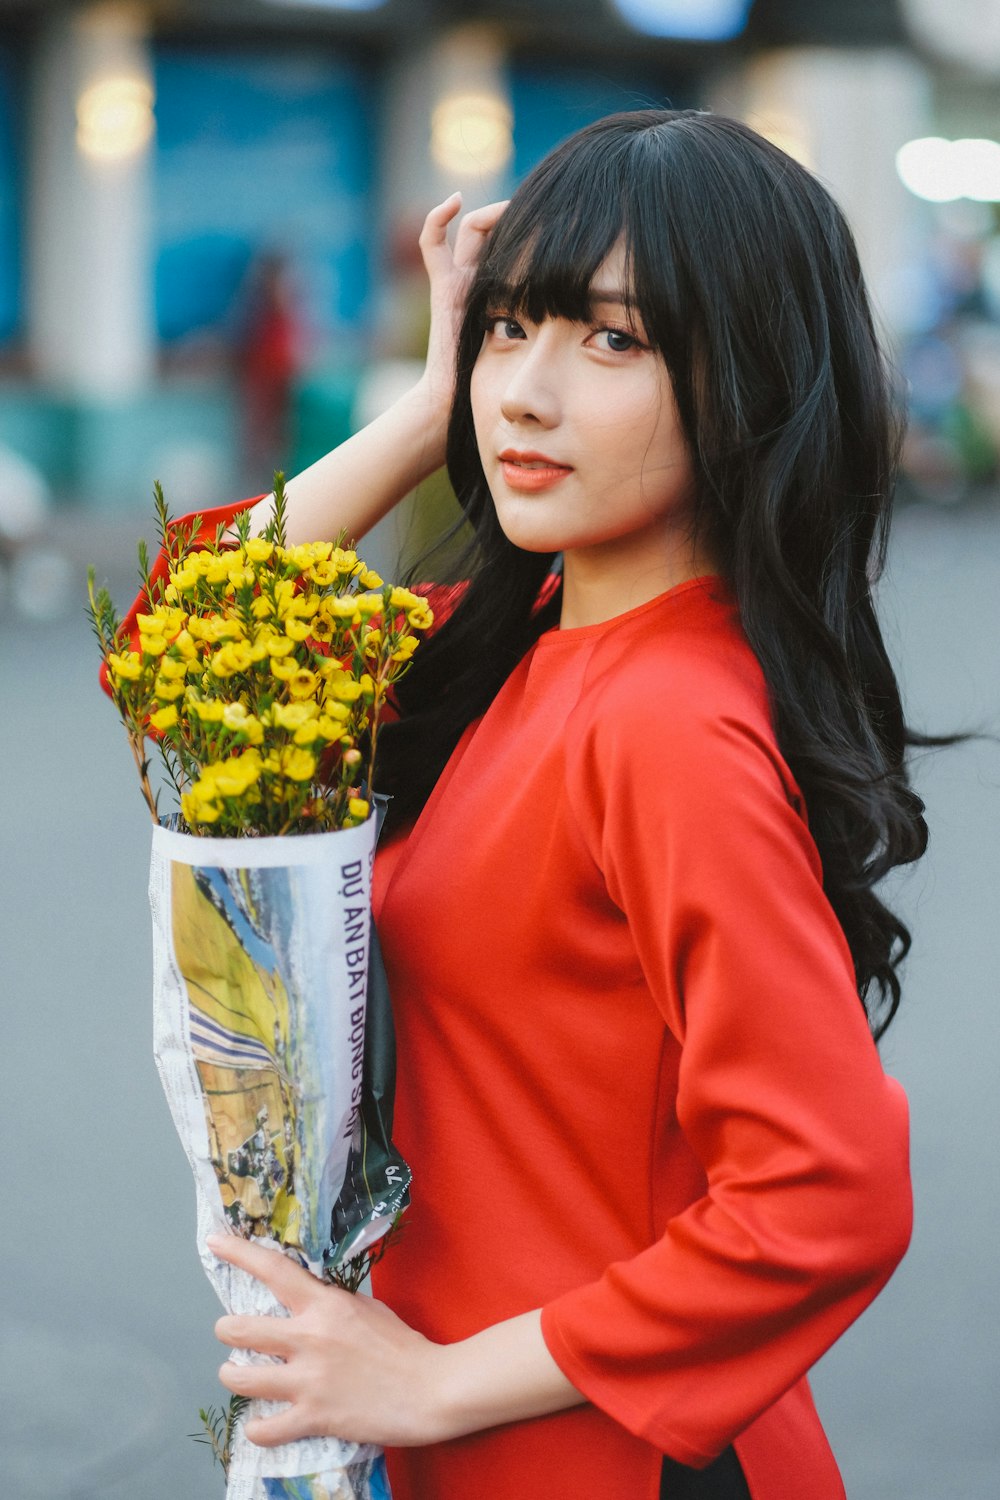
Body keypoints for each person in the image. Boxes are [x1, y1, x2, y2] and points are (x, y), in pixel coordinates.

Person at [189, 109, 921, 1499]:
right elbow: (185, 635)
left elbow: (830, 1193)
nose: (524, 392)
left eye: (613, 340)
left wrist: (437, 1379)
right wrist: (419, 411)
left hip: (599, 1453)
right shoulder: (517, 633)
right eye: (508, 328)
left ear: (751, 379)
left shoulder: (669, 726)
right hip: (465, 1437)